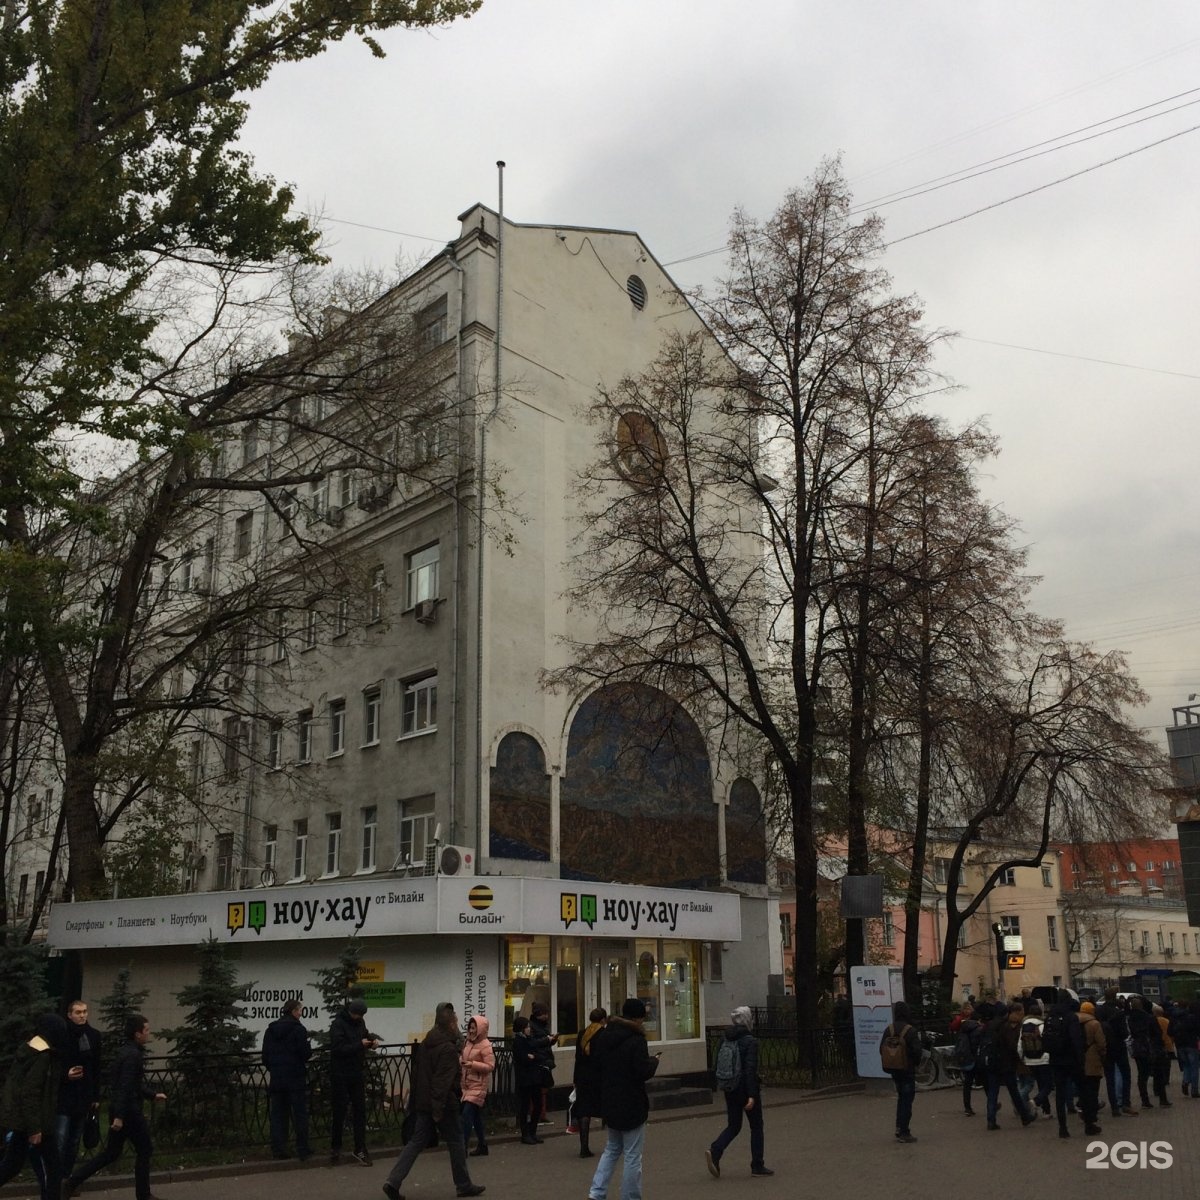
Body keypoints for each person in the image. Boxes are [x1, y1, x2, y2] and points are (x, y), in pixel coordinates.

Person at [382, 1002, 484, 1200]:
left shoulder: (428, 1043)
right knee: (456, 1140)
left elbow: (420, 1075)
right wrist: (438, 1110)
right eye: (455, 1021)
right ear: (451, 1025)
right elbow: (441, 1083)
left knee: (416, 1142)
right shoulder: (446, 1049)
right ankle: (463, 1185)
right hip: (442, 1104)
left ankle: (392, 1181)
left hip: (424, 1101)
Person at [63, 1013, 166, 1200]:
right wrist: (119, 1116)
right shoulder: (133, 1055)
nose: (148, 1034)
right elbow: (125, 1086)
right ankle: (143, 1194)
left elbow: (130, 1084)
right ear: (137, 1034)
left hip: (122, 1110)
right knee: (145, 1149)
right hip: (129, 1112)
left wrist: (152, 1094)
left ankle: (72, 1181)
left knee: (111, 1153)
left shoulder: (126, 1052)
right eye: (147, 1030)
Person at [587, 998, 660, 1200]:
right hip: (632, 1102)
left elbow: (597, 1066)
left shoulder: (604, 1036)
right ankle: (630, 1196)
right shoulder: (636, 1040)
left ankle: (596, 1192)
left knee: (611, 1149)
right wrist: (654, 1062)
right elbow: (642, 1070)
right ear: (638, 1018)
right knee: (632, 1155)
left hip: (610, 1099)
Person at [0, 1013, 69, 1200]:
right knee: (53, 1169)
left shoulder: (30, 1050)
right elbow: (30, 1093)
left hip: (27, 1120)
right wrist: (35, 1128)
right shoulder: (43, 1057)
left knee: (12, 1165)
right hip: (38, 1122)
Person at [705, 1006, 772, 1177]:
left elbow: (717, 1061)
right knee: (756, 1126)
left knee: (734, 1125)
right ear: (748, 1020)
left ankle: (715, 1151)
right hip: (746, 1088)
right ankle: (757, 1164)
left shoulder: (725, 1038)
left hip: (729, 1086)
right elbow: (749, 1069)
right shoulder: (750, 1041)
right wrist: (751, 1095)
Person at [329, 997, 379, 1166]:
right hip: (341, 1073)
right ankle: (335, 1147)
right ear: (352, 1012)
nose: (359, 1018)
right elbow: (338, 1049)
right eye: (358, 1015)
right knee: (340, 1110)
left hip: (356, 1072)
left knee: (360, 1110)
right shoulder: (338, 1024)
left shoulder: (360, 1023)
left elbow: (364, 1034)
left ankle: (360, 1148)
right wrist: (359, 1045)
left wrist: (371, 1041)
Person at [262, 998, 313, 1161]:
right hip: (295, 1077)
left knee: (278, 1114)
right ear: (294, 1012)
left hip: (277, 1077)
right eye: (300, 1010)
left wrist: (275, 1069)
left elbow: (265, 1056)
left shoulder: (271, 1030)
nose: (301, 1013)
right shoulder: (299, 1030)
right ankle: (302, 1149)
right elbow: (304, 1054)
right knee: (299, 1114)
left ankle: (278, 1149)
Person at [56, 1000, 102, 1177]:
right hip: (64, 1095)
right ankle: (55, 1178)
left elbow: (96, 1067)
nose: (82, 1015)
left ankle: (66, 1177)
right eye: (78, 1012)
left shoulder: (93, 1036)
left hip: (83, 1096)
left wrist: (95, 1096)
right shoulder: (62, 1036)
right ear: (69, 1015)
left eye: (84, 1012)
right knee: (60, 1137)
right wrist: (65, 1075)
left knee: (74, 1139)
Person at [982, 1001, 1035, 1130]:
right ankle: (1024, 1116)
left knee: (993, 1093)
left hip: (992, 1062)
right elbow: (1012, 1045)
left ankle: (991, 1120)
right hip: (1006, 1063)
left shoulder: (989, 1025)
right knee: (1013, 1091)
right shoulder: (1005, 1026)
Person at [877, 1001, 922, 1143]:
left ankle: (898, 1127)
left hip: (893, 1069)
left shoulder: (889, 1029)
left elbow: (881, 1049)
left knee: (901, 1097)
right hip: (907, 1070)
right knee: (907, 1100)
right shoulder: (910, 1030)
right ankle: (904, 1131)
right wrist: (914, 1063)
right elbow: (917, 1051)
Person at [1044, 990, 1086, 1139]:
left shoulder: (1050, 1016)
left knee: (1060, 1094)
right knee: (1083, 1090)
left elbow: (1045, 1038)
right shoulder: (1071, 1017)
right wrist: (1080, 1058)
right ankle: (1088, 1124)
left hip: (1056, 1059)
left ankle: (1063, 1128)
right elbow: (1076, 1039)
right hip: (1071, 1059)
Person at [573, 1008, 607, 1158]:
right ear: (603, 1020)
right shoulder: (604, 1034)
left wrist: (575, 1078)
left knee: (584, 1110)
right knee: (606, 1106)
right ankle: (615, 1144)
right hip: (598, 1076)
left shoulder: (582, 1033)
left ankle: (584, 1146)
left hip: (582, 1076)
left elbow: (577, 1058)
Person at [1096, 989, 1135, 1117]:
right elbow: (1125, 1033)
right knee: (1125, 1074)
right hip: (1118, 1047)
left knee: (1110, 1077)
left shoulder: (1099, 1011)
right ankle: (1125, 1103)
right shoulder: (1118, 1013)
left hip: (1105, 1047)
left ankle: (1114, 1107)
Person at [460, 1015, 495, 1157]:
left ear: (480, 1029)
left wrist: (472, 1065)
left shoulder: (486, 1045)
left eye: (474, 1028)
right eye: (470, 1027)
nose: (472, 1030)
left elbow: (490, 1066)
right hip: (467, 1084)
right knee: (475, 1117)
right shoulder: (468, 1042)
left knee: (466, 1115)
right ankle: (482, 1145)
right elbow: (463, 1057)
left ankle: (462, 1147)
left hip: (478, 1085)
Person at [1018, 1000, 1052, 1119]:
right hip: (1043, 1059)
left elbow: (1020, 1044)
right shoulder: (1042, 1024)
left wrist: (1022, 1057)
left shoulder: (1024, 1025)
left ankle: (1046, 1110)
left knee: (1039, 1084)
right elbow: (1047, 1042)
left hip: (1029, 1059)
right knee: (1048, 1085)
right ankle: (1037, 1103)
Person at [1126, 995, 1161, 1109]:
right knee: (1154, 1070)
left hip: (1137, 1048)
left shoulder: (1130, 1018)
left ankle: (1144, 1099)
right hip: (1148, 1047)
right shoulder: (1148, 1017)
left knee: (1141, 1074)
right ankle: (1159, 1095)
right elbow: (1157, 1033)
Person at [512, 1016, 543, 1144]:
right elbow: (523, 1058)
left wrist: (533, 1056)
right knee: (524, 1106)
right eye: (527, 1027)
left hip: (534, 1078)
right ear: (521, 1029)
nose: (529, 1029)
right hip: (525, 1079)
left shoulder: (530, 1039)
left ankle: (532, 1130)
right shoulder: (518, 1041)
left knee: (538, 1105)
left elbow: (537, 1055)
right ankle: (525, 1134)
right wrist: (531, 1057)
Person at [1076, 1001, 1106, 1133]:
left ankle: (1082, 1109)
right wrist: (1103, 1055)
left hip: (1077, 1061)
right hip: (1092, 1060)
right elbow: (1101, 1043)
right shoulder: (1094, 1023)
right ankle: (1091, 1118)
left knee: (1083, 1089)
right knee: (1093, 1090)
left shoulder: (1074, 1022)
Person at [528, 1002, 558, 1124]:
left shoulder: (543, 1026)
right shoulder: (532, 1026)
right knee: (538, 1089)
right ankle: (537, 1115)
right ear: (538, 1014)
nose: (547, 1016)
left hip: (545, 1059)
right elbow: (533, 1043)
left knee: (544, 1088)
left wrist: (552, 1040)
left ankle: (542, 1114)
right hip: (539, 1060)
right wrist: (547, 1039)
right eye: (544, 1014)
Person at [954, 1002, 984, 1116]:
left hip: (966, 1057)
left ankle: (967, 1107)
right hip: (975, 1057)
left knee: (967, 1083)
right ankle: (993, 1104)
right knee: (985, 1081)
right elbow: (978, 1044)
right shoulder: (977, 1029)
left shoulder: (963, 1027)